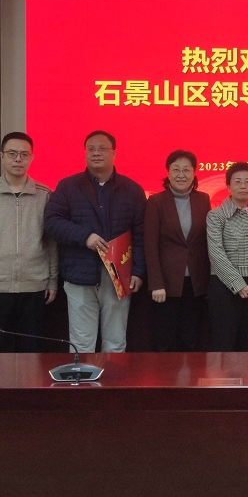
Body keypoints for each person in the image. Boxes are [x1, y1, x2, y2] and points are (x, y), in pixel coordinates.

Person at [44, 130, 146, 353]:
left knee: (115, 342)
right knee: (81, 343)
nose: (96, 153)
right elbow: (52, 221)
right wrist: (84, 237)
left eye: (102, 148)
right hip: (79, 274)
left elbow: (140, 234)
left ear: (114, 153)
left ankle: (112, 377)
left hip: (118, 276)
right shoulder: (68, 186)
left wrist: (138, 271)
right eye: (91, 149)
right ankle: (82, 377)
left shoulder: (132, 190)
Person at [0, 132, 58, 353]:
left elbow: (51, 243)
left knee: (30, 351)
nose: (18, 159)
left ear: (32, 158)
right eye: (12, 154)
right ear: (2, 156)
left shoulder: (44, 195)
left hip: (34, 286)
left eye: (24, 154)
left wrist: (53, 280)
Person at [144, 149, 211, 352]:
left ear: (194, 172)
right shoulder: (156, 201)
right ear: (168, 172)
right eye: (176, 169)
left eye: (186, 170)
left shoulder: (203, 199)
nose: (181, 175)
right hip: (166, 284)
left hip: (196, 282)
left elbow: (206, 241)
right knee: (165, 340)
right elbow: (150, 245)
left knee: (191, 338)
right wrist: (156, 284)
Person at [206, 162, 248, 352]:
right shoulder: (215, 216)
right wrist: (239, 285)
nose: (243, 186)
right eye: (237, 181)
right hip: (224, 286)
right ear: (228, 186)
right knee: (224, 344)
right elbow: (216, 253)